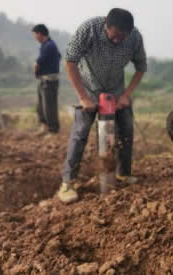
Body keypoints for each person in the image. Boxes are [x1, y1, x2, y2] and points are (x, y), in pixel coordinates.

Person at [58, 8, 147, 203]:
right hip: (89, 89)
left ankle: (123, 173)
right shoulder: (89, 29)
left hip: (116, 91)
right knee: (80, 133)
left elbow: (141, 67)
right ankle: (68, 183)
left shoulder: (134, 37)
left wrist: (126, 95)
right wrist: (83, 97)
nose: (117, 41)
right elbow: (70, 61)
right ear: (106, 23)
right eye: (114, 37)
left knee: (126, 130)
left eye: (121, 38)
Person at [32, 24, 61, 134]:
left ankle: (53, 130)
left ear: (40, 34)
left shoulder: (49, 46)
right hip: (44, 80)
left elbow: (37, 64)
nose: (35, 37)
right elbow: (58, 56)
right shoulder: (47, 45)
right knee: (40, 106)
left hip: (49, 81)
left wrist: (36, 70)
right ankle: (44, 127)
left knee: (49, 107)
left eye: (35, 34)